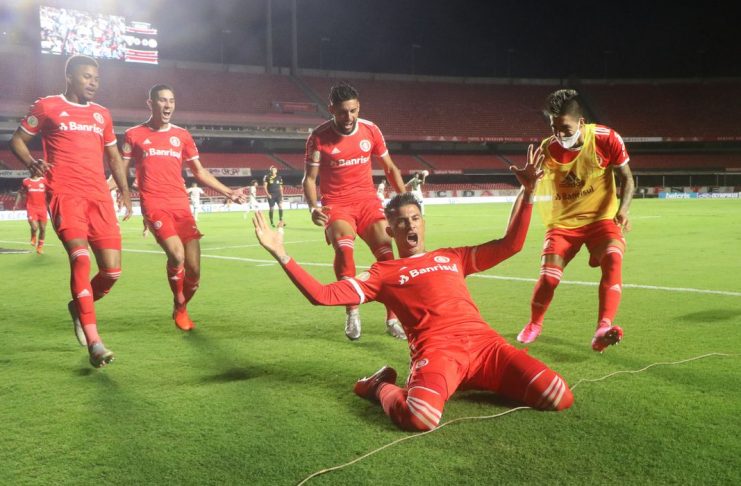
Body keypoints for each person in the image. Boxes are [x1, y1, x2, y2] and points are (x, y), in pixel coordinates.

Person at [253, 147, 573, 432]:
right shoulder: (383, 273)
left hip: (486, 346)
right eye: (402, 222)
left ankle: (475, 379)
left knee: (558, 395)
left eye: (415, 218)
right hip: (438, 353)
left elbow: (511, 245)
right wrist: (282, 254)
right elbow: (322, 295)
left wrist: (527, 193)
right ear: (390, 230)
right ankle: (378, 386)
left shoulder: (453, 256)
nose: (410, 225)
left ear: (423, 222)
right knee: (419, 417)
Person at [9, 55, 132, 368]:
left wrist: (125, 191)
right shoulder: (47, 106)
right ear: (69, 77)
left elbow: (114, 157)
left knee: (112, 272)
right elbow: (18, 140)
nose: (93, 83)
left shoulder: (102, 114)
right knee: (80, 258)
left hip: (99, 198)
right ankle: (95, 342)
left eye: (96, 78)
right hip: (65, 195)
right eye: (87, 77)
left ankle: (78, 306)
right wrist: (30, 162)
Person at [516, 89, 635, 352]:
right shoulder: (547, 149)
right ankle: (534, 323)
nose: (559, 134)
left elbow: (627, 178)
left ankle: (602, 329)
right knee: (549, 278)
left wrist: (623, 209)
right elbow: (532, 186)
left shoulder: (606, 138)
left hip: (600, 220)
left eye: (565, 128)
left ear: (581, 122)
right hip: (563, 224)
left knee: (613, 259)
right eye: (553, 128)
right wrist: (529, 182)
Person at [122, 84, 246, 331]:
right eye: (162, 100)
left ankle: (180, 306)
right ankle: (179, 303)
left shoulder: (182, 136)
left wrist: (229, 192)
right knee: (177, 255)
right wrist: (103, 189)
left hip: (181, 205)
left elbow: (199, 172)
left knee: (195, 272)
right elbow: (119, 171)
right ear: (150, 103)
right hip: (154, 204)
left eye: (171, 100)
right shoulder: (133, 135)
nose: (168, 105)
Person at [302, 82, 407, 340]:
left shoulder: (371, 130)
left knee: (387, 257)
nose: (349, 117)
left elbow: (390, 168)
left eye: (353, 110)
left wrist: (405, 201)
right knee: (344, 249)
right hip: (336, 204)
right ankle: (352, 310)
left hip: (368, 202)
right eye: (342, 112)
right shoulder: (318, 137)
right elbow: (309, 179)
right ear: (331, 110)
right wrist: (313, 207)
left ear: (358, 107)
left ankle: (393, 318)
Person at [13, 167, 48, 254]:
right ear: (30, 170)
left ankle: (39, 247)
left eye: (36, 169)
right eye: (32, 169)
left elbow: (50, 192)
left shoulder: (44, 181)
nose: (34, 171)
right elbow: (20, 193)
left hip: (43, 208)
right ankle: (33, 236)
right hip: (31, 208)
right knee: (34, 227)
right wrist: (15, 205)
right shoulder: (26, 181)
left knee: (43, 229)